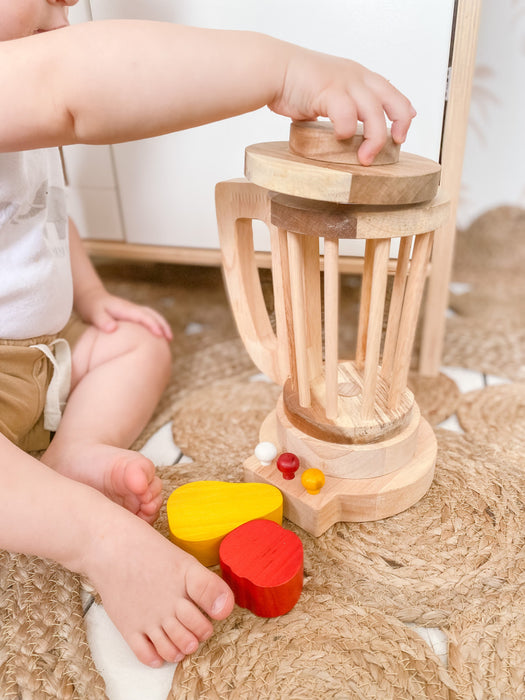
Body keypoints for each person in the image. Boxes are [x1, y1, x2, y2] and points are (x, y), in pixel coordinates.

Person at [0, 0, 416, 668]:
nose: (69, 3)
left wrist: (93, 297)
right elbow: (74, 85)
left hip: (42, 356)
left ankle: (74, 452)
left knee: (138, 341)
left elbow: (45, 216)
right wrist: (279, 69)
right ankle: (94, 537)